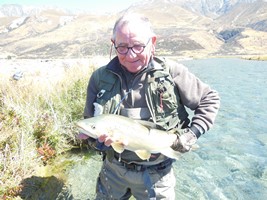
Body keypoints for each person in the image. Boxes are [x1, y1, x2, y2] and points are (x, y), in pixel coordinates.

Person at [80, 13, 220, 200]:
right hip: (113, 171)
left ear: (152, 42)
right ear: (113, 43)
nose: (130, 55)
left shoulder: (172, 72)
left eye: (138, 46)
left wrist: (191, 134)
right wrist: (95, 142)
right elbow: (90, 123)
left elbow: (209, 99)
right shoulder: (99, 78)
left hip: (158, 176)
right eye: (122, 47)